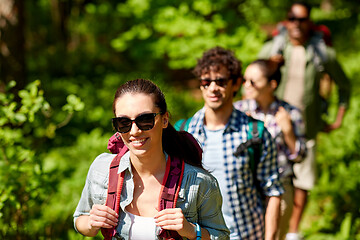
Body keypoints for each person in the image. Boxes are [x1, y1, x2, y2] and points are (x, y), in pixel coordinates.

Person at [73, 79, 230, 239]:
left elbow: (221, 236)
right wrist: (91, 223)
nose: (134, 131)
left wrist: (191, 230)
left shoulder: (200, 183)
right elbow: (80, 218)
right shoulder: (101, 169)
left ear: (164, 119)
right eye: (124, 122)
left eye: (145, 120)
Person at [258, 2, 351, 240]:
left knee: (303, 183)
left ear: (310, 22)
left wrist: (338, 118)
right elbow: (254, 80)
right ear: (286, 20)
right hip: (274, 132)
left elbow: (344, 85)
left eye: (302, 19)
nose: (297, 24)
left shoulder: (321, 53)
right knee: (275, 182)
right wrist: (273, 65)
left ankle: (294, 232)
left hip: (307, 129)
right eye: (293, 18)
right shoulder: (274, 49)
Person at [175, 46, 284, 240]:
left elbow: (273, 192)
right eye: (206, 81)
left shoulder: (255, 133)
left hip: (247, 234)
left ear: (235, 84)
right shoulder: (183, 132)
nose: (213, 87)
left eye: (221, 81)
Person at [233, 59, 307, 240]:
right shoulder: (238, 110)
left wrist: (288, 131)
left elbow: (301, 156)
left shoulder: (290, 113)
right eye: (245, 80)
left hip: (280, 188)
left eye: (253, 81)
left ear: (272, 85)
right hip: (246, 189)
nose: (246, 85)